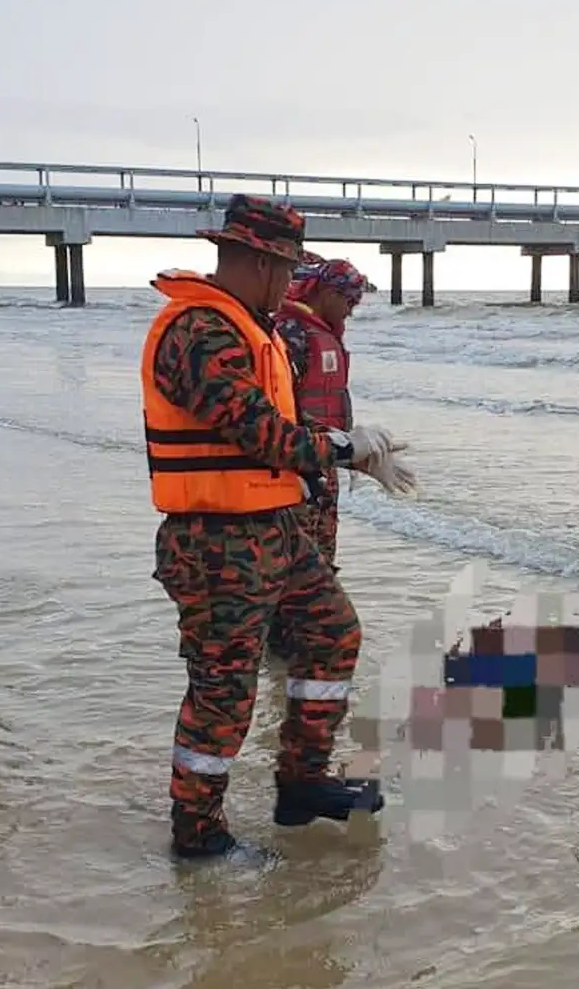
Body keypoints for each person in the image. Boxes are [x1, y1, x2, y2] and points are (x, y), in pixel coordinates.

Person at [141, 194, 417, 858]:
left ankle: (301, 783)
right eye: (290, 270)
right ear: (265, 263)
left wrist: (344, 453)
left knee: (332, 634)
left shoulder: (249, 327)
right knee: (223, 690)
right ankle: (198, 832)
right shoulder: (198, 330)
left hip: (274, 528)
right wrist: (346, 448)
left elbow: (278, 433)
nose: (293, 285)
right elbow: (257, 430)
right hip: (216, 542)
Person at [272, 256, 369, 571]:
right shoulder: (292, 332)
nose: (351, 311)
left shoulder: (325, 332)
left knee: (324, 556)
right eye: (350, 302)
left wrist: (350, 451)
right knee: (301, 559)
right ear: (329, 293)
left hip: (327, 456)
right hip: (299, 463)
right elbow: (280, 403)